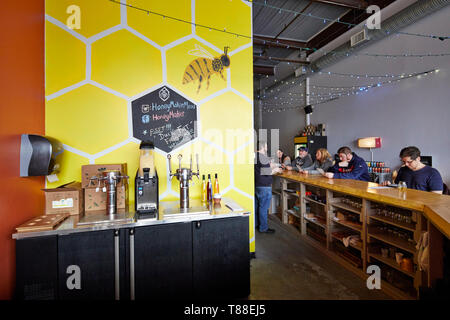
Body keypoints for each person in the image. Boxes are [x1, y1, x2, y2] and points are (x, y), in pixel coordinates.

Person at [255, 139, 282, 233]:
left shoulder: (255, 156)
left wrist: (271, 165)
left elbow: (262, 169)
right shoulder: (262, 157)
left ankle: (257, 224)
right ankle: (263, 228)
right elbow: (267, 172)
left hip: (257, 185)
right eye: (266, 145)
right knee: (263, 208)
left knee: (258, 206)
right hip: (264, 186)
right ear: (263, 147)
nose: (267, 147)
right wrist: (276, 170)